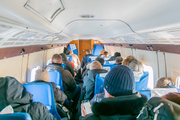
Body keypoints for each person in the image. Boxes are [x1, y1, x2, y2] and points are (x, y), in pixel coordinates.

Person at [80, 65, 147, 120]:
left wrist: (85, 117)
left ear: (109, 93)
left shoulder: (94, 118)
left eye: (105, 88)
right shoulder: (144, 113)